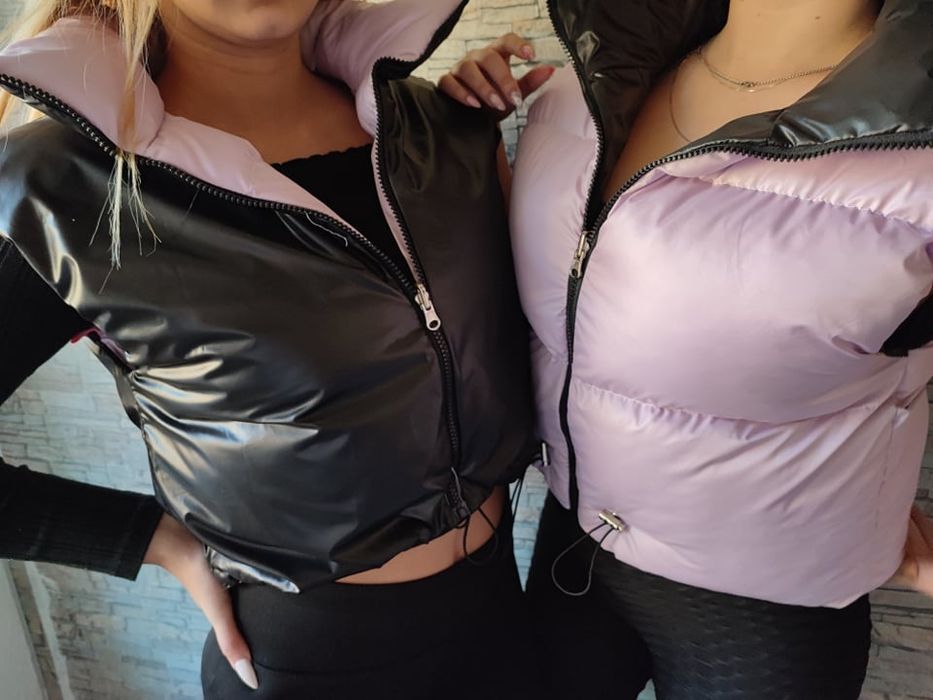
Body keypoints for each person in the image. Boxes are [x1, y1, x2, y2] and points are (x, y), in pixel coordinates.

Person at [0, 1, 548, 697]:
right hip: (310, 664)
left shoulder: (434, 126)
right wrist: (150, 540)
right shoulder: (65, 185)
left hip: (503, 622)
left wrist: (479, 135)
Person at [441, 0, 933, 697]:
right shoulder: (582, 86)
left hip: (761, 609)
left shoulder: (913, 150)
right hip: (573, 546)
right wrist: (460, 133)